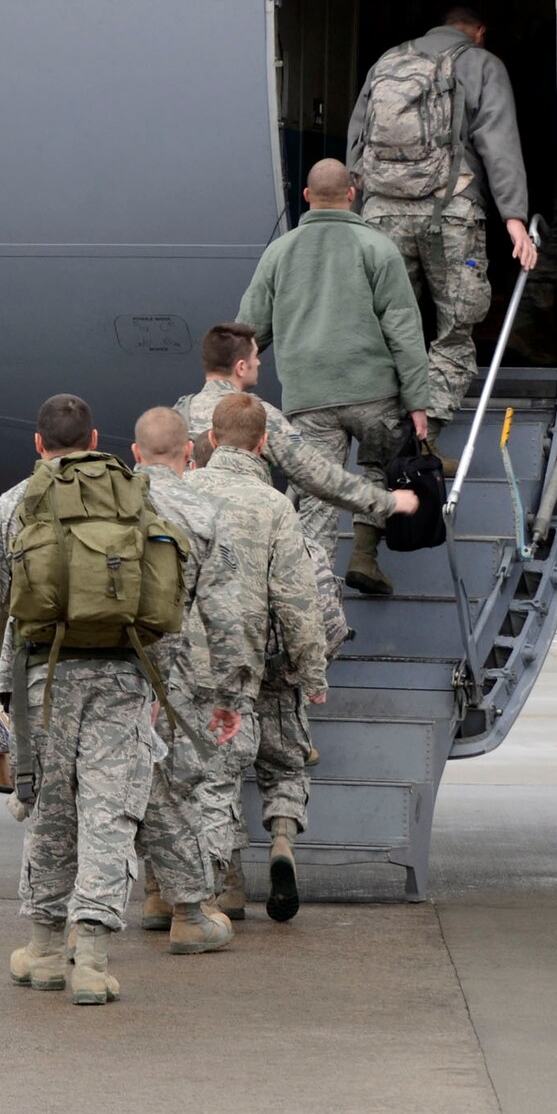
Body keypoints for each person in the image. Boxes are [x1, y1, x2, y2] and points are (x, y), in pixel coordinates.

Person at [0, 394, 239, 1006]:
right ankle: (94, 960)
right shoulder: (138, 497)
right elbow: (166, 596)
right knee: (111, 815)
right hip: (124, 680)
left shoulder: (15, 504)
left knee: (51, 812)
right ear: (97, 438)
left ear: (38, 444)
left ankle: (47, 952)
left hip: (40, 685)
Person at [237, 160, 431, 596]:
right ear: (352, 193)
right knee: (380, 466)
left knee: (319, 496)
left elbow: (250, 330)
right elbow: (403, 331)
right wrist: (418, 402)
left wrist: (231, 385)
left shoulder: (279, 252)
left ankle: (317, 599)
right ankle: (364, 556)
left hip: (309, 398)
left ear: (306, 196)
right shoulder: (377, 248)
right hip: (374, 394)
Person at [348, 2, 538, 439]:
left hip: (382, 214)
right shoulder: (482, 63)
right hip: (451, 212)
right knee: (454, 329)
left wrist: (357, 214)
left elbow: (357, 139)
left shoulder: (388, 60)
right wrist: (514, 217)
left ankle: (386, 434)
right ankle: (424, 431)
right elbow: (499, 142)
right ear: (479, 31)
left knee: (388, 325)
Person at [192, 394, 331, 921]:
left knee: (204, 779)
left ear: (210, 439)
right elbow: (297, 601)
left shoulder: (183, 493)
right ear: (263, 444)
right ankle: (272, 848)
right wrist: (311, 672)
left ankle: (216, 889)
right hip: (242, 668)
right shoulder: (275, 505)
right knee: (236, 771)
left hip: (184, 665)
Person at [129, 408, 250, 955]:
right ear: (191, 454)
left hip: (92, 670)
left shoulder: (105, 501)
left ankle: (73, 929)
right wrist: (231, 696)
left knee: (103, 791)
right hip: (171, 675)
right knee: (175, 788)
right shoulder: (202, 510)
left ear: (134, 453)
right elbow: (226, 616)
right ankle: (182, 909)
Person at [175, 323, 419, 558]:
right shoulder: (256, 414)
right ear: (241, 367)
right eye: (255, 356)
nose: (258, 362)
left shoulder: (180, 413)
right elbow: (316, 474)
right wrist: (386, 501)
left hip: (186, 546)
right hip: (240, 549)